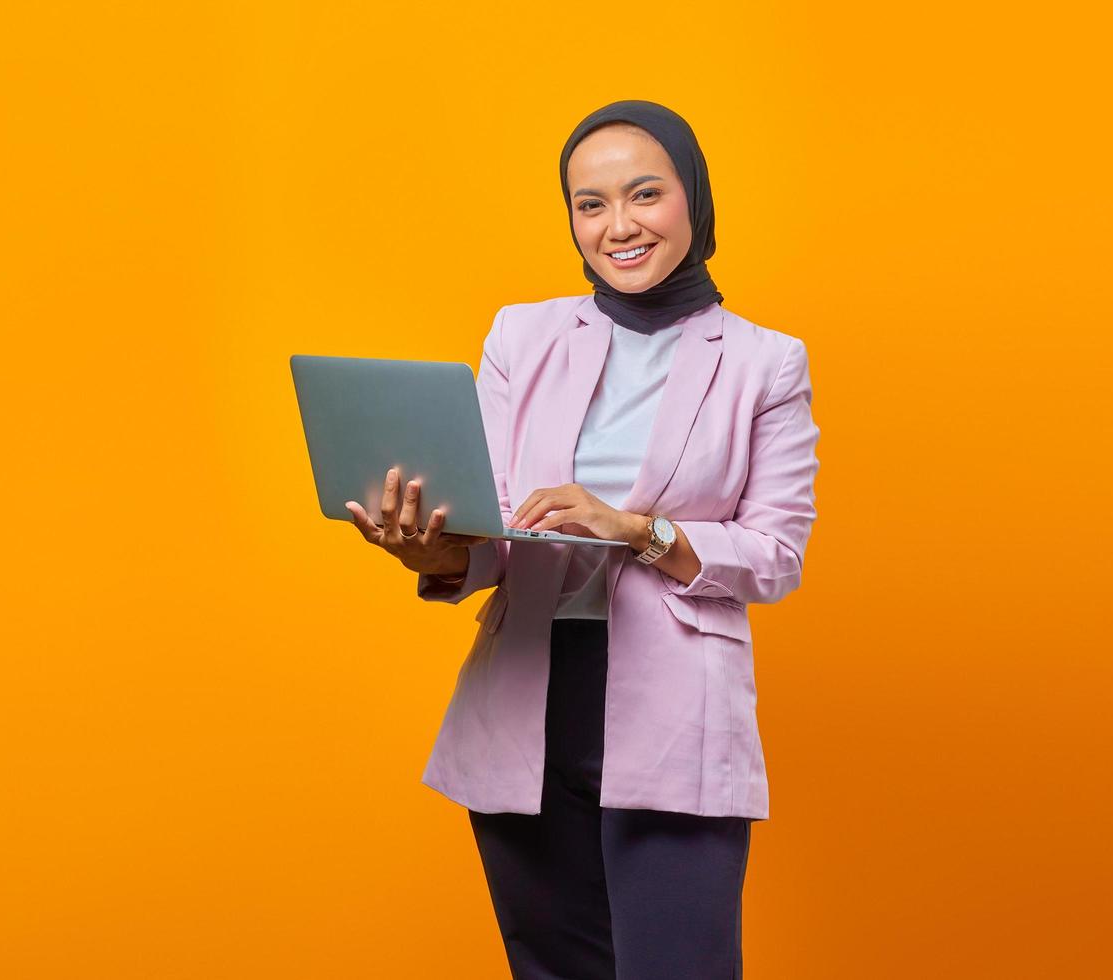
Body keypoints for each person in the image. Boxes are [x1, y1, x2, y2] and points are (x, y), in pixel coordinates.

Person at [343, 100, 820, 979]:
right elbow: (491, 534)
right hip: (528, 702)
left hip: (675, 713)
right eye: (589, 204)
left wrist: (638, 531)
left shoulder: (763, 362)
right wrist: (434, 550)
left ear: (694, 199)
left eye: (645, 195)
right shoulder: (522, 337)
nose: (619, 225)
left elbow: (777, 555)